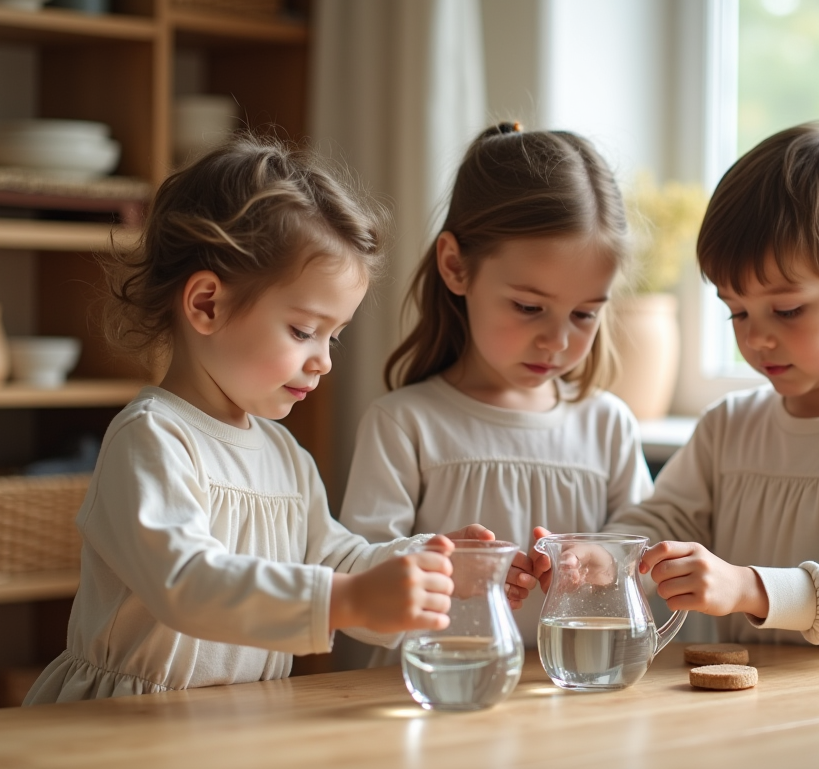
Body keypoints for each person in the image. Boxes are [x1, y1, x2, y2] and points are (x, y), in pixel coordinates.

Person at [25, 136, 491, 705]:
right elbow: (188, 583)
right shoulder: (152, 437)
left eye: (333, 337)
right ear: (206, 305)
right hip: (124, 719)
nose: (323, 359)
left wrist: (424, 566)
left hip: (236, 718)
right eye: (303, 331)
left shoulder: (284, 456)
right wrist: (345, 599)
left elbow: (335, 560)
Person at [515, 121, 819, 651]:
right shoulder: (730, 426)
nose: (757, 337)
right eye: (737, 312)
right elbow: (663, 520)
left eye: (788, 310)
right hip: (743, 708)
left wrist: (747, 587)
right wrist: (603, 559)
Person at [337, 122, 655, 648]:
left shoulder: (608, 425)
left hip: (575, 705)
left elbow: (642, 576)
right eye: (529, 307)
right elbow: (358, 599)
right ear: (456, 266)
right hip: (440, 704)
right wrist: (449, 576)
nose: (555, 340)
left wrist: (599, 567)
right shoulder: (406, 424)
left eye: (583, 314)